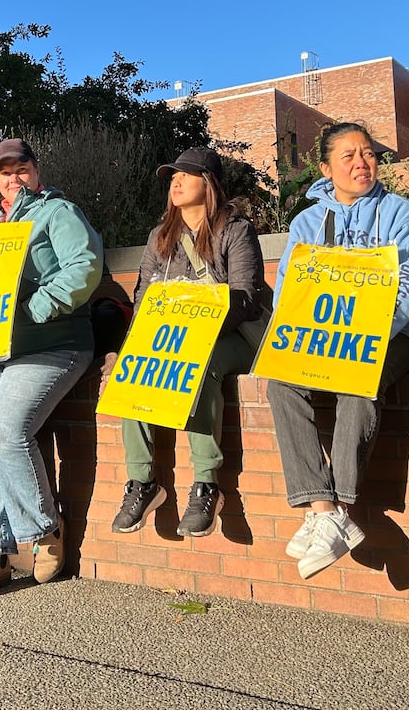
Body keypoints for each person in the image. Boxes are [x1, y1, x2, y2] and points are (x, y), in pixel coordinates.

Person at [264, 124, 409, 578]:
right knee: (281, 385)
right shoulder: (307, 223)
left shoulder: (398, 213)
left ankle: (339, 506)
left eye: (369, 154)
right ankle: (323, 507)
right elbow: (289, 295)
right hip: (323, 341)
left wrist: (372, 336)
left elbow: (408, 283)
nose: (362, 163)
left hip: (391, 339)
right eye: (349, 156)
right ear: (326, 168)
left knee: (359, 381)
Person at [0, 138, 103, 597]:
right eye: (5, 171)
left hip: (52, 342)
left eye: (21, 167)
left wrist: (37, 308)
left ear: (36, 170)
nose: (13, 177)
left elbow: (84, 266)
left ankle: (45, 529)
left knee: (6, 434)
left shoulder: (58, 212)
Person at [107, 147, 264, 540]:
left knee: (202, 364)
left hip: (232, 338)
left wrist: (199, 327)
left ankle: (207, 485)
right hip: (173, 340)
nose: (175, 181)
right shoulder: (160, 237)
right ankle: (142, 483)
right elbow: (143, 301)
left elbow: (245, 298)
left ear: (207, 183)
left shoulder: (236, 230)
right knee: (134, 370)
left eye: (186, 174)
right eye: (172, 175)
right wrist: (128, 350)